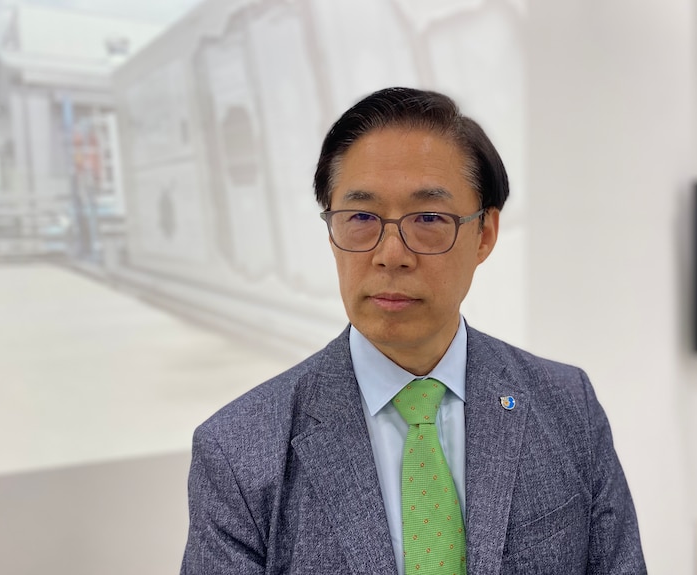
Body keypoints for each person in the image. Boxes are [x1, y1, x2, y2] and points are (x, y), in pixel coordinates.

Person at [181, 87, 646, 574]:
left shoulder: (568, 404)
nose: (391, 254)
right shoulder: (238, 448)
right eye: (360, 217)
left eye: (428, 218)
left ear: (484, 233)